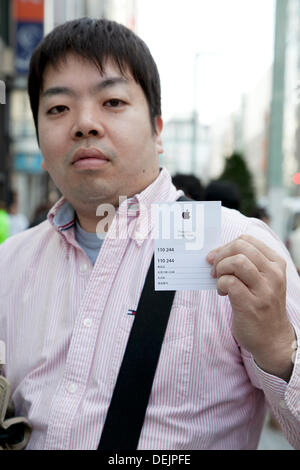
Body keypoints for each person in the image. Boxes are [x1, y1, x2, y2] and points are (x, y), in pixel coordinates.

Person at [0, 18, 299, 450]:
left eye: (113, 102)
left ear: (158, 130)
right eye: (58, 109)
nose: (84, 124)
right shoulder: (11, 263)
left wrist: (278, 348)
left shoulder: (233, 246)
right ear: (42, 146)